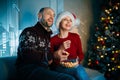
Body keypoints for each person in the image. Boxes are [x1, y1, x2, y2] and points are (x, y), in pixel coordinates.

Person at [15, 7, 76, 80]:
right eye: (48, 14)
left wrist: (57, 54)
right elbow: (28, 56)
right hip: (28, 71)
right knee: (69, 79)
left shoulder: (47, 36)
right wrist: (52, 56)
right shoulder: (29, 32)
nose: (52, 17)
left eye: (53, 15)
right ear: (39, 16)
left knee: (74, 73)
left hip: (44, 69)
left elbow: (50, 59)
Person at [50, 11, 90, 80]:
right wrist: (60, 52)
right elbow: (50, 60)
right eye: (65, 19)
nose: (68, 22)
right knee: (72, 76)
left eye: (70, 20)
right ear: (59, 22)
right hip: (59, 66)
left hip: (75, 64)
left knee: (78, 70)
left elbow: (80, 54)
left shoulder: (75, 37)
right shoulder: (53, 40)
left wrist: (78, 61)